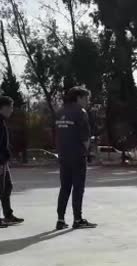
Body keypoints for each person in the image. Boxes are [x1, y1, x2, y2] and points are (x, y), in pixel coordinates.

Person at [55, 87, 96, 230]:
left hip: (63, 155)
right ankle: (77, 219)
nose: (87, 102)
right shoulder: (80, 112)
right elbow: (85, 137)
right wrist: (87, 151)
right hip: (77, 155)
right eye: (86, 98)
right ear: (78, 98)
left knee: (65, 187)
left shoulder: (59, 112)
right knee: (78, 188)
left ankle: (60, 219)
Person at [0, 96, 24, 228]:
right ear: (4, 107)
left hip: (1, 160)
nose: (12, 110)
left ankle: (8, 215)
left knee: (7, 187)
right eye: (11, 107)